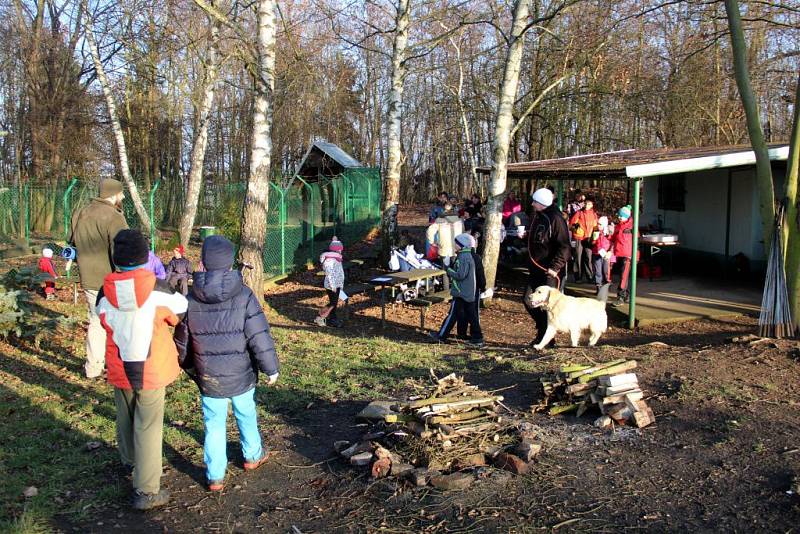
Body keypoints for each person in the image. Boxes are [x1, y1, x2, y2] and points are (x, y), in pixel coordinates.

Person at [174, 235, 279, 493]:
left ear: (202, 263)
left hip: (209, 378)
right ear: (231, 264)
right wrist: (270, 367)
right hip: (241, 375)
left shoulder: (191, 299)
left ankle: (215, 475)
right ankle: (252, 455)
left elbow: (182, 340)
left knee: (213, 424)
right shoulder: (244, 295)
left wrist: (188, 367)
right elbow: (259, 335)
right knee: (246, 413)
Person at [95, 229, 188, 510]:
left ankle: (131, 462)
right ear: (144, 256)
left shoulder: (104, 292)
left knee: (125, 415)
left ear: (116, 259)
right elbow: (179, 313)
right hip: (151, 368)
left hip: (120, 365)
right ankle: (147, 489)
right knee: (148, 425)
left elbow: (102, 320)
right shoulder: (160, 290)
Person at [70, 178, 129, 379]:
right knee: (119, 322)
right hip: (112, 280)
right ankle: (119, 366)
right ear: (113, 194)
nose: (123, 196)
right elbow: (122, 251)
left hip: (88, 278)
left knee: (96, 321)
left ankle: (93, 368)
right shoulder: (114, 217)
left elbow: (72, 242)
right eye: (121, 193)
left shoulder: (81, 213)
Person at [524, 188, 571, 347]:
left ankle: (546, 337)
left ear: (542, 203)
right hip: (537, 269)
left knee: (549, 305)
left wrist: (555, 267)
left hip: (550, 272)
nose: (532, 204)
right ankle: (544, 330)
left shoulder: (556, 219)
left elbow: (564, 247)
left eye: (535, 202)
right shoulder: (538, 216)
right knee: (528, 300)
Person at [429, 233, 483, 347]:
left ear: (462, 245)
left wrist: (448, 269)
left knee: (453, 314)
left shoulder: (464, 257)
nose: (454, 245)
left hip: (461, 291)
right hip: (467, 291)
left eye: (456, 243)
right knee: (471, 314)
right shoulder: (467, 255)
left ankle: (441, 336)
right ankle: (477, 338)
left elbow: (460, 275)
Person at [315, 237, 345, 328]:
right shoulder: (329, 259)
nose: (341, 251)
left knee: (334, 303)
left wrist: (340, 285)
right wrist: (333, 286)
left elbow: (339, 272)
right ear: (336, 250)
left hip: (337, 284)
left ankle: (332, 318)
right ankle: (321, 317)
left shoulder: (336, 258)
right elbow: (329, 273)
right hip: (332, 285)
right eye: (340, 249)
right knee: (333, 303)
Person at [610, 205, 637, 306]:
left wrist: (635, 255)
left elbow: (636, 241)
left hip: (628, 255)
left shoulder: (632, 227)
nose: (620, 218)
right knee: (622, 276)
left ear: (627, 216)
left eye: (622, 216)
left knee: (623, 277)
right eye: (619, 216)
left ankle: (620, 297)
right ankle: (626, 295)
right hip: (619, 254)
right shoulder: (618, 226)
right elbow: (612, 238)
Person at [569, 195, 599, 283]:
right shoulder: (579, 213)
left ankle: (590, 277)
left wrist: (595, 238)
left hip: (588, 239)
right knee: (577, 257)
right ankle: (578, 277)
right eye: (585, 203)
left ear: (592, 205)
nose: (586, 205)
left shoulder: (594, 214)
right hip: (579, 238)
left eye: (589, 204)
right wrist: (578, 231)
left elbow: (596, 227)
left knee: (588, 258)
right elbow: (571, 225)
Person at [591, 216, 612, 293]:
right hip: (597, 252)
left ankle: (607, 284)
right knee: (598, 271)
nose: (598, 226)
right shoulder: (595, 231)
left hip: (606, 253)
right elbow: (592, 243)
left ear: (604, 225)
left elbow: (612, 242)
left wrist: (610, 251)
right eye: (598, 224)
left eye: (600, 224)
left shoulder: (608, 232)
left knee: (606, 270)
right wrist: (594, 240)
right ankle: (598, 287)